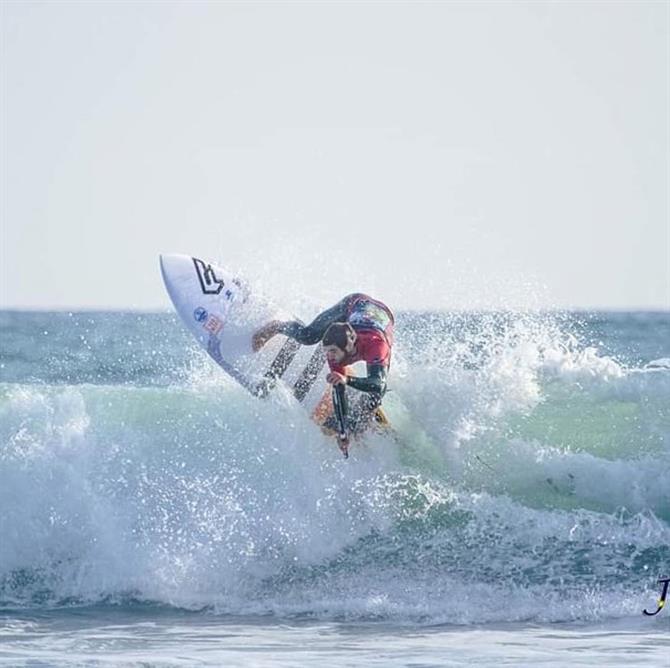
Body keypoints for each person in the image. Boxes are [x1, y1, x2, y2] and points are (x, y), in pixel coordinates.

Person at [252, 294, 394, 450]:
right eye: (328, 352)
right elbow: (338, 390)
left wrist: (347, 380)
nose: (330, 357)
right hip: (352, 305)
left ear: (348, 348)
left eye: (333, 352)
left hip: (378, 320)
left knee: (375, 393)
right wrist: (342, 432)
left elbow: (378, 384)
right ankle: (278, 326)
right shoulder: (334, 356)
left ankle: (366, 420)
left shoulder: (376, 346)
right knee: (308, 336)